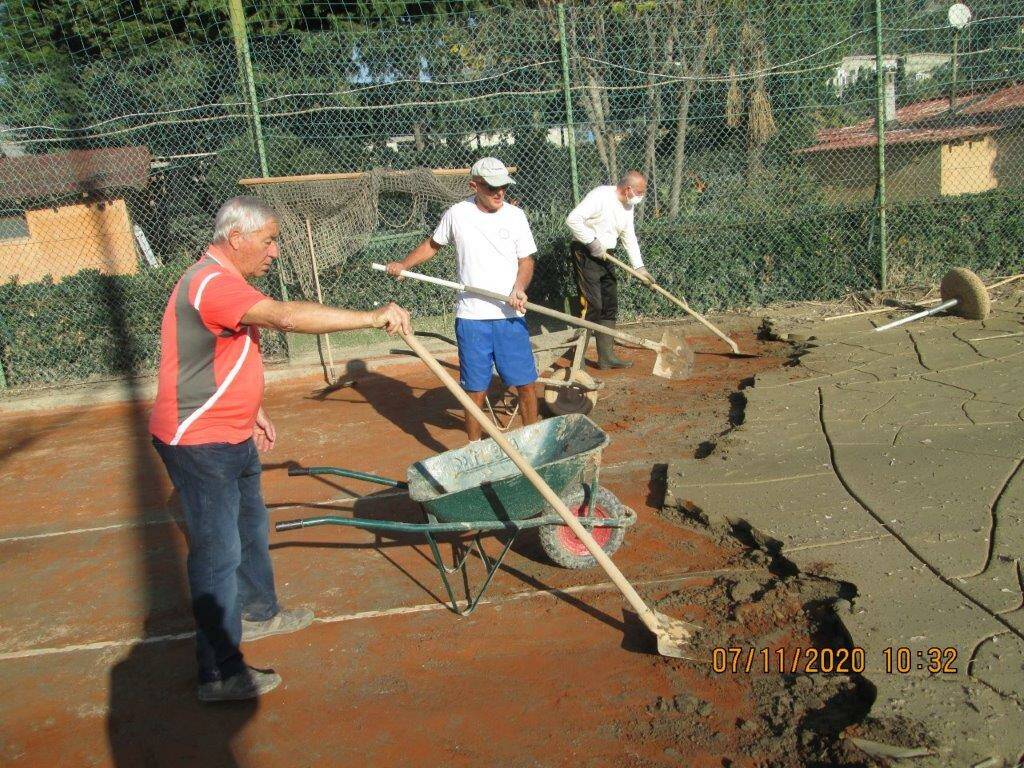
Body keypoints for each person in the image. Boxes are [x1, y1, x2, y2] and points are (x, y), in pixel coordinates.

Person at [149, 196, 411, 702]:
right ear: (236, 238)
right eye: (268, 240)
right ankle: (219, 673)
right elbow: (286, 318)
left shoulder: (223, 278)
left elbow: (221, 357)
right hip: (200, 442)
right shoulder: (212, 282)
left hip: (230, 431)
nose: (274, 251)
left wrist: (251, 409)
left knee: (249, 528)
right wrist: (369, 317)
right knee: (216, 555)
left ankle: (258, 612)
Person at [385, 157, 539, 442]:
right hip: (472, 318)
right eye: (492, 187)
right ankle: (475, 447)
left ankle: (534, 440)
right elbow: (433, 245)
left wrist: (519, 287)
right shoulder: (457, 213)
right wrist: (404, 264)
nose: (499, 193)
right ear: (474, 185)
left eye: (503, 186)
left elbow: (526, 260)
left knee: (526, 384)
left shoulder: (516, 217)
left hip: (510, 316)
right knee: (475, 388)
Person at [565, 170, 654, 370]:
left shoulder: (628, 206)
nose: (642, 195)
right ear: (628, 189)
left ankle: (606, 358)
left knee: (609, 304)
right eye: (640, 191)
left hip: (607, 254)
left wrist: (639, 267)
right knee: (592, 305)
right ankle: (577, 361)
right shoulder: (600, 196)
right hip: (586, 252)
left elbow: (628, 236)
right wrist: (591, 242)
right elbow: (573, 219)